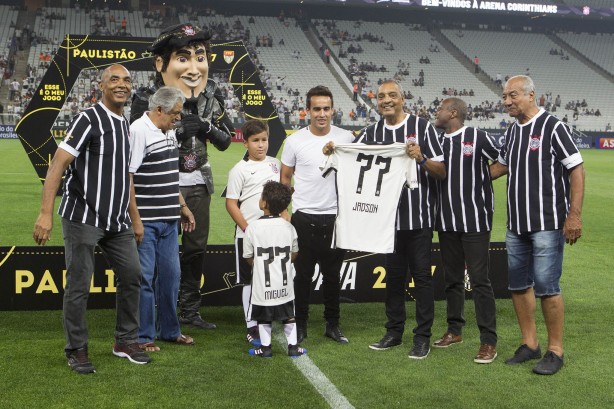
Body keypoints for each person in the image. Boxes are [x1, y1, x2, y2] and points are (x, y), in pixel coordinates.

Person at [33, 64, 151, 374]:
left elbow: (126, 178)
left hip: (117, 222)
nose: (122, 84)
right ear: (101, 85)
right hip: (82, 217)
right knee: (79, 285)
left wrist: (134, 218)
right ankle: (77, 349)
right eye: (114, 79)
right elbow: (57, 165)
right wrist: (45, 213)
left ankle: (125, 341)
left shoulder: (125, 124)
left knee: (132, 276)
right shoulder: (88, 118)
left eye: (126, 79)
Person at [131, 23, 234, 330]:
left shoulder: (211, 95)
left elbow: (226, 140)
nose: (193, 67)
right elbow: (138, 137)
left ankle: (189, 310)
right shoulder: (146, 97)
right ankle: (159, 311)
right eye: (183, 57)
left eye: (199, 56)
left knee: (195, 249)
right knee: (157, 252)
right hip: (160, 186)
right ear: (160, 63)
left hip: (199, 183)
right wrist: (178, 128)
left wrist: (205, 127)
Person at [491, 75, 585, 375]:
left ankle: (555, 350)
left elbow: (576, 169)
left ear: (532, 96)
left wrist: (574, 215)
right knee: (518, 286)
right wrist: (463, 173)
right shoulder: (511, 133)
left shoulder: (553, 127)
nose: (506, 101)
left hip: (547, 224)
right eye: (505, 96)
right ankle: (529, 344)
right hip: (516, 225)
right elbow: (501, 166)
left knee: (547, 287)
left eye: (513, 95)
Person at [359, 80, 446, 359]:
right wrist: (331, 150)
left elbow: (441, 170)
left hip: (418, 219)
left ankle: (422, 337)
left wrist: (420, 158)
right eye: (381, 96)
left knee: (421, 279)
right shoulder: (372, 132)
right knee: (394, 279)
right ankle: (394, 332)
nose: (386, 100)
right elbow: (351, 156)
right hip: (387, 222)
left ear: (402, 99)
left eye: (392, 96)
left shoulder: (422, 128)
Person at [281, 85, 354, 345]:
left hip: (335, 217)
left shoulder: (347, 138)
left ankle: (332, 325)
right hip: (304, 217)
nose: (321, 114)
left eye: (326, 109)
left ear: (333, 110)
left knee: (333, 277)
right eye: (316, 109)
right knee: (302, 276)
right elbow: (285, 177)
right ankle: (300, 325)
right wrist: (285, 213)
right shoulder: (294, 141)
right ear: (306, 111)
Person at [432, 97, 500, 364]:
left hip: (475, 220)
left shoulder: (477, 137)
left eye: (439, 109)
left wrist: (484, 177)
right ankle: (454, 330)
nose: (436, 113)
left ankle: (488, 341)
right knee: (452, 279)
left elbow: (503, 159)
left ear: (452, 112)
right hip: (447, 221)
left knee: (480, 281)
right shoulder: (436, 139)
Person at [128, 86, 195, 352]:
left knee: (171, 277)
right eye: (175, 113)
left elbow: (170, 176)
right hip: (147, 221)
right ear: (159, 109)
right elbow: (129, 177)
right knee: (145, 279)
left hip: (170, 220)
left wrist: (183, 206)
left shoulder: (169, 133)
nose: (178, 118)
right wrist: (135, 220)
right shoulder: (138, 131)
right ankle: (144, 337)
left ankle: (169, 330)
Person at [226, 119, 283, 347]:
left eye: (264, 140)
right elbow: (231, 204)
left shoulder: (276, 164)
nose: (261, 145)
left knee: (269, 278)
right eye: (255, 141)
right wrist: (248, 230)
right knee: (249, 281)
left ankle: (267, 317)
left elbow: (282, 201)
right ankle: (251, 324)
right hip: (248, 236)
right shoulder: (239, 170)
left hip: (274, 235)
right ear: (245, 143)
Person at [243, 181, 307, 358]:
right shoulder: (289, 227)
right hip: (284, 284)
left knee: (263, 317)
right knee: (289, 315)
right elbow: (295, 253)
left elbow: (248, 256)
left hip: (262, 285)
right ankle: (293, 347)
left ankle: (265, 349)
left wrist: (259, 265)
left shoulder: (252, 228)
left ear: (264, 203)